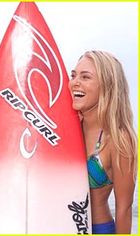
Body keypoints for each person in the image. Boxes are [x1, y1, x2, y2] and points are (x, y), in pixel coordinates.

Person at [69, 50, 137, 234]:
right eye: (73, 75)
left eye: (85, 77)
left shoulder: (119, 138)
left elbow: (124, 209)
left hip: (99, 229)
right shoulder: (64, 129)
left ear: (107, 86)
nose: (75, 82)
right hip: (60, 226)